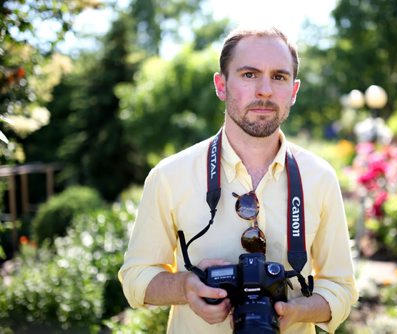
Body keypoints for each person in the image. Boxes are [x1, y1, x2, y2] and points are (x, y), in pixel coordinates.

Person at [119, 26, 358, 333]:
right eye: (249, 74)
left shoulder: (319, 178)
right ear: (221, 85)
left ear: (294, 91)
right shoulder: (169, 176)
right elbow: (136, 278)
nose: (265, 90)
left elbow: (340, 289)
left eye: (279, 77)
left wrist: (294, 311)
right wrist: (186, 287)